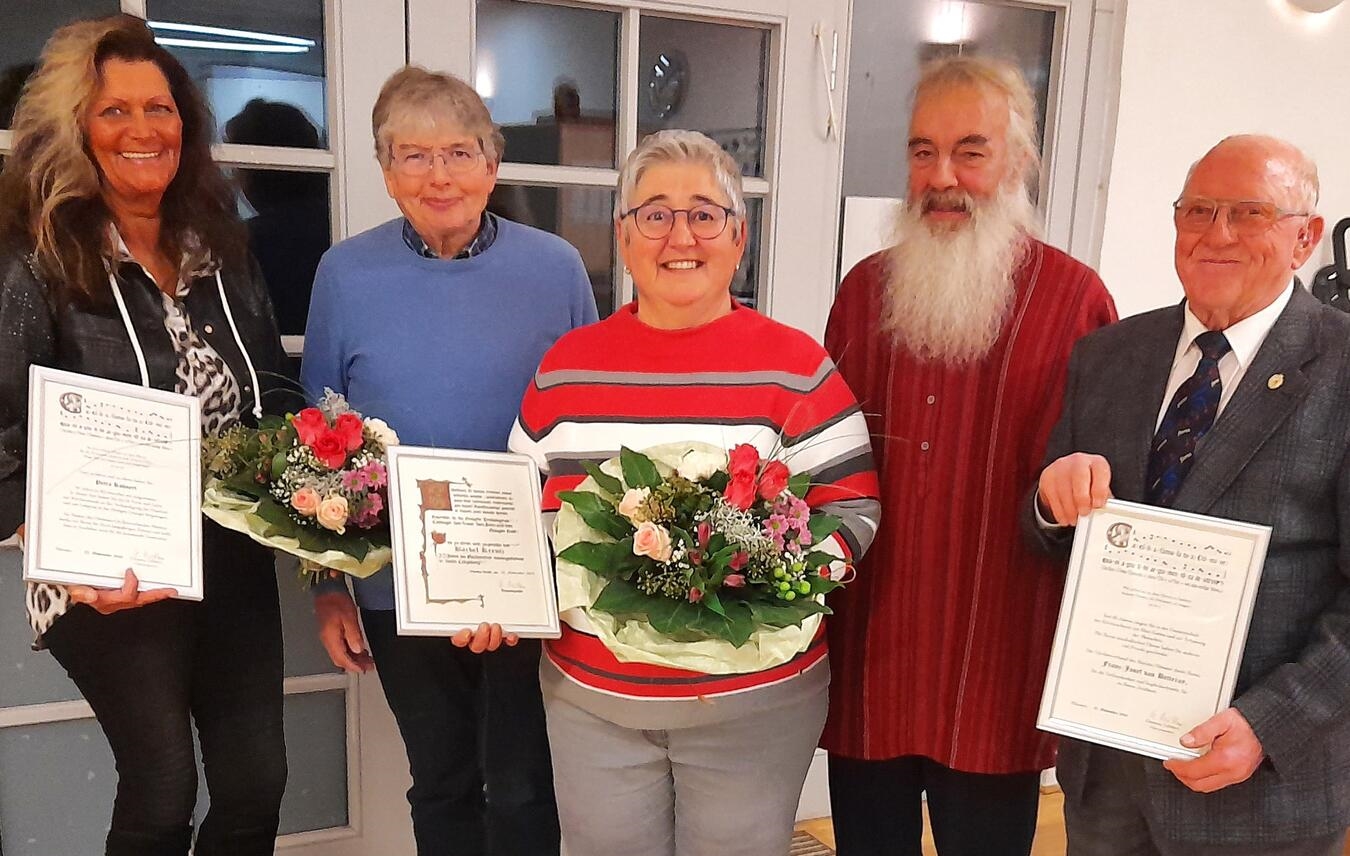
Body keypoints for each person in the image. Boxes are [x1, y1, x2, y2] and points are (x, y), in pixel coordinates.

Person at [508, 129, 882, 856]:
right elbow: (518, 514)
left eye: (705, 213)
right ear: (624, 236)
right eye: (654, 213)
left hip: (753, 707)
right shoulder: (567, 369)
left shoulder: (795, 367)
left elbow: (852, 509)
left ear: (738, 237)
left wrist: (767, 582)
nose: (680, 234)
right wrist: (494, 598)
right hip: (595, 705)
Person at [0, 16, 292, 856]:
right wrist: (57, 544)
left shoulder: (222, 247)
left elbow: (267, 389)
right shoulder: (35, 259)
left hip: (230, 549)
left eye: (158, 109)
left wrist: (317, 486)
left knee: (255, 784)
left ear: (185, 124)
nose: (142, 131)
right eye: (113, 111)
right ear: (73, 129)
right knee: (165, 785)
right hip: (107, 569)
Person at [821, 55, 1117, 856]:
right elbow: (820, 467)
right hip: (871, 660)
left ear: (1019, 162)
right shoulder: (863, 291)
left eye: (970, 152)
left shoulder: (1076, 300)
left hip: (993, 667)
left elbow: (1086, 496)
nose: (941, 176)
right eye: (922, 151)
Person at [300, 66, 596, 856]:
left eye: (460, 152)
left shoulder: (557, 269)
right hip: (398, 582)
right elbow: (320, 443)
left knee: (528, 782)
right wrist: (329, 585)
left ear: (493, 163)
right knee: (442, 780)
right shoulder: (345, 274)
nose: (440, 176)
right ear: (386, 170)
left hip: (525, 580)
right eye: (414, 155)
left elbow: (586, 425)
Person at [1029, 134, 1349, 856]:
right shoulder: (1109, 355)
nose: (1217, 234)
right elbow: (1050, 529)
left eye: (1250, 213)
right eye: (1198, 209)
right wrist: (1050, 504)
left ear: (1306, 238)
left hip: (1263, 790)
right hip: (1107, 775)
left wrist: (1272, 724)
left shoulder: (1342, 369)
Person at [223, 98, 330, 335]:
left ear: (255, 171)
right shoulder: (341, 224)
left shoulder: (246, 242)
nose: (235, 180)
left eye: (237, 168)